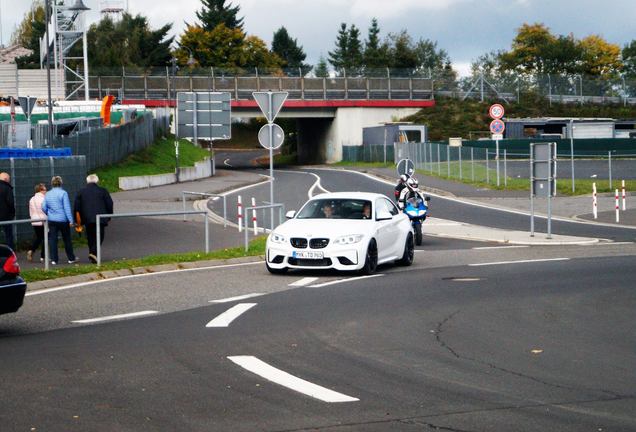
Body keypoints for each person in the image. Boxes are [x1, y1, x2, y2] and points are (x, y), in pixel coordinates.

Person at [74, 174, 113, 264]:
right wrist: (109, 216)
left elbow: (77, 207)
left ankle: (93, 254)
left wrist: (78, 221)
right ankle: (93, 252)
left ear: (87, 181)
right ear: (97, 181)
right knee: (100, 236)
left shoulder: (81, 192)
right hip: (101, 218)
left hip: (87, 218)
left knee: (90, 236)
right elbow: (109, 204)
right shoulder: (103, 191)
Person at [42, 176, 77, 265]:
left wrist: (48, 213)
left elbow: (43, 206)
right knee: (67, 239)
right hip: (63, 220)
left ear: (52, 183)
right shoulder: (63, 193)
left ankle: (54, 259)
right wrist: (71, 220)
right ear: (61, 183)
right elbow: (67, 207)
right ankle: (71, 258)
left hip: (52, 220)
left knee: (53, 240)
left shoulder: (48, 194)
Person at [27, 183, 47, 262]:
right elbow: (45, 209)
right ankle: (43, 256)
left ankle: (31, 250)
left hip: (35, 221)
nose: (46, 191)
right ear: (40, 190)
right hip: (43, 221)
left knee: (39, 237)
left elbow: (31, 211)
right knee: (45, 238)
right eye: (45, 189)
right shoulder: (44, 199)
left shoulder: (32, 199)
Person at [0, 172, 15, 250]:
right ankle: (10, 252)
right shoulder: (7, 188)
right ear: (6, 179)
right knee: (8, 235)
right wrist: (12, 213)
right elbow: (10, 202)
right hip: (6, 216)